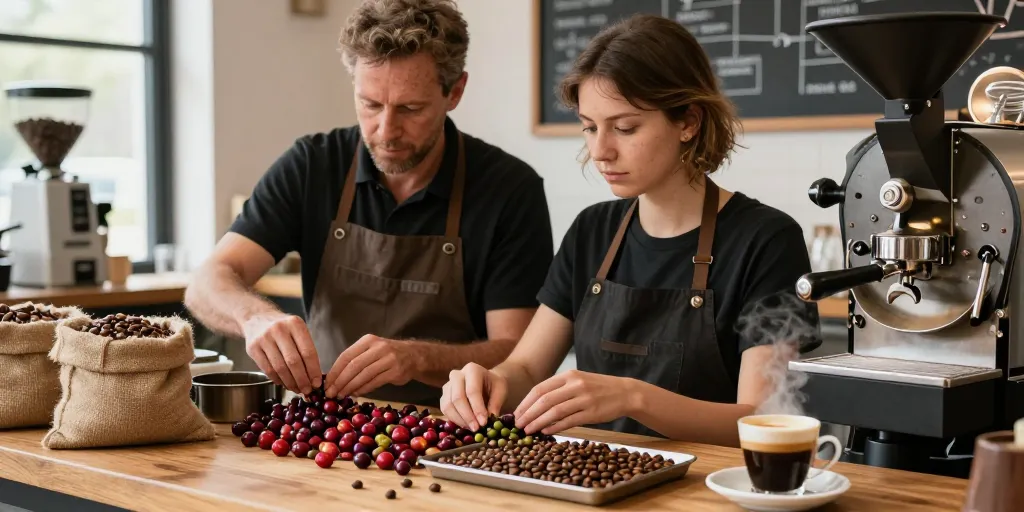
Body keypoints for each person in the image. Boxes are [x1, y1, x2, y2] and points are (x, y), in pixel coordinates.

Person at [439, 14, 821, 448]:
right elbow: (526, 370)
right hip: (597, 479)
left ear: (688, 123)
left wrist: (633, 397)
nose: (600, 151)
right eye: (589, 127)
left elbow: (761, 421)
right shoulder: (591, 232)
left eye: (624, 127)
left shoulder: (766, 240)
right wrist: (486, 381)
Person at [184, 0, 554, 406]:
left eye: (410, 109)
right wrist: (254, 317)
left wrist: (417, 357)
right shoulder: (313, 165)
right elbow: (207, 282)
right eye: (370, 104)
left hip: (451, 431)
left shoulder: (509, 189)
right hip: (324, 422)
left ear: (456, 92)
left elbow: (519, 354)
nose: (386, 131)